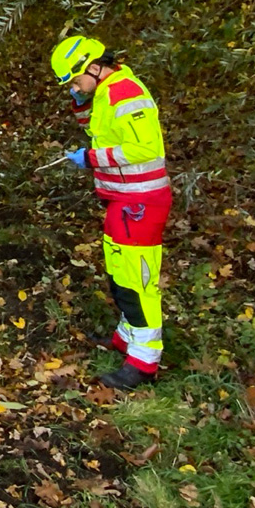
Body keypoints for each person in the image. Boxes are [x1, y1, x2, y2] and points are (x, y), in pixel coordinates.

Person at [52, 36, 172, 390]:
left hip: (141, 202)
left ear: (93, 65)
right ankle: (126, 336)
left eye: (75, 81)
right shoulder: (105, 92)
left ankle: (143, 362)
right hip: (121, 200)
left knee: (137, 283)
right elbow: (101, 133)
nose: (75, 87)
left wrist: (89, 159)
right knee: (119, 274)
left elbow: (143, 147)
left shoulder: (126, 93)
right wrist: (79, 106)